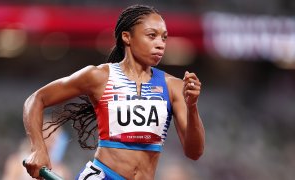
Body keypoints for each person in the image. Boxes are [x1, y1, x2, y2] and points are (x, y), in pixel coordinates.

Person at [23, 4, 205, 180]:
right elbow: (36, 99)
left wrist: (192, 106)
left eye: (164, 38)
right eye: (152, 36)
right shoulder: (99, 76)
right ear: (127, 37)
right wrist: (38, 149)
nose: (160, 44)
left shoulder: (173, 86)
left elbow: (194, 152)